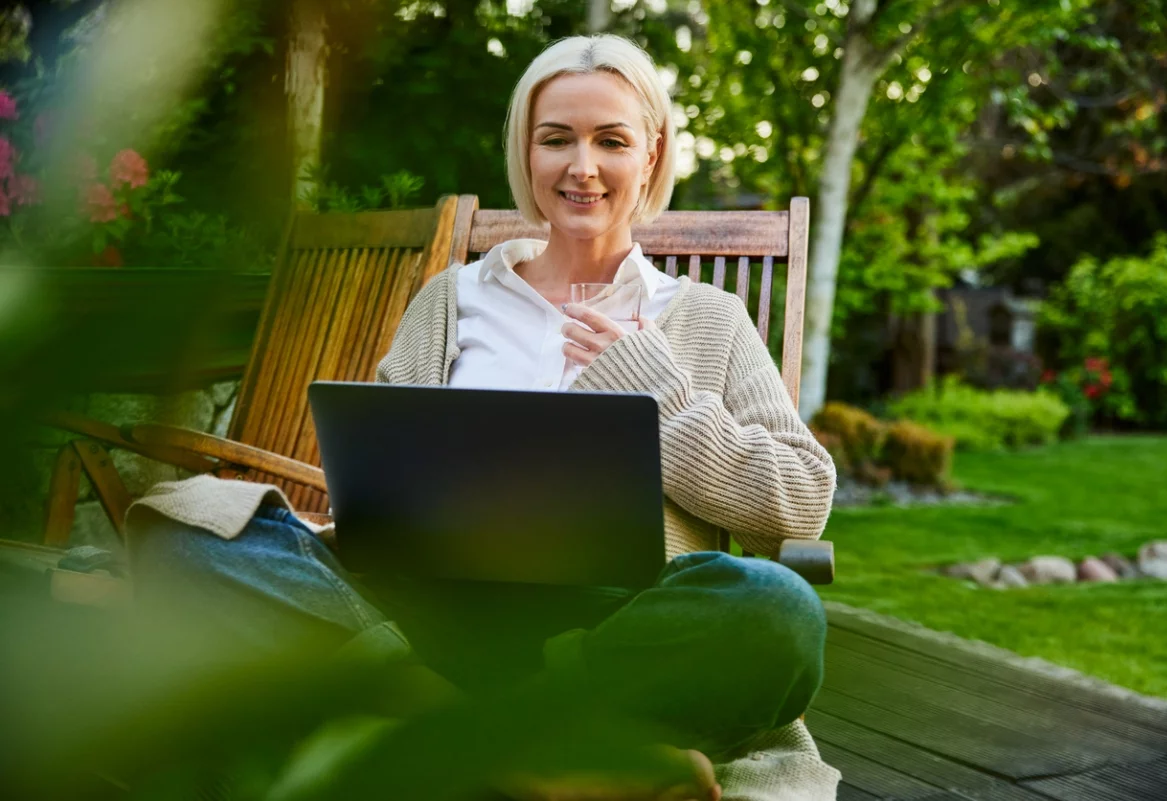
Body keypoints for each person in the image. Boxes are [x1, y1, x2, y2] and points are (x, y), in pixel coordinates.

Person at [129, 34, 840, 801]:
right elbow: (374, 468)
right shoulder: (453, 298)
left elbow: (798, 500)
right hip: (427, 615)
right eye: (556, 138)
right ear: (526, 152)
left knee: (778, 609)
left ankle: (467, 738)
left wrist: (660, 397)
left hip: (622, 626)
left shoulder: (708, 317)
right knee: (185, 529)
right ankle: (530, 753)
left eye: (611, 140)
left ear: (653, 153)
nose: (582, 166)